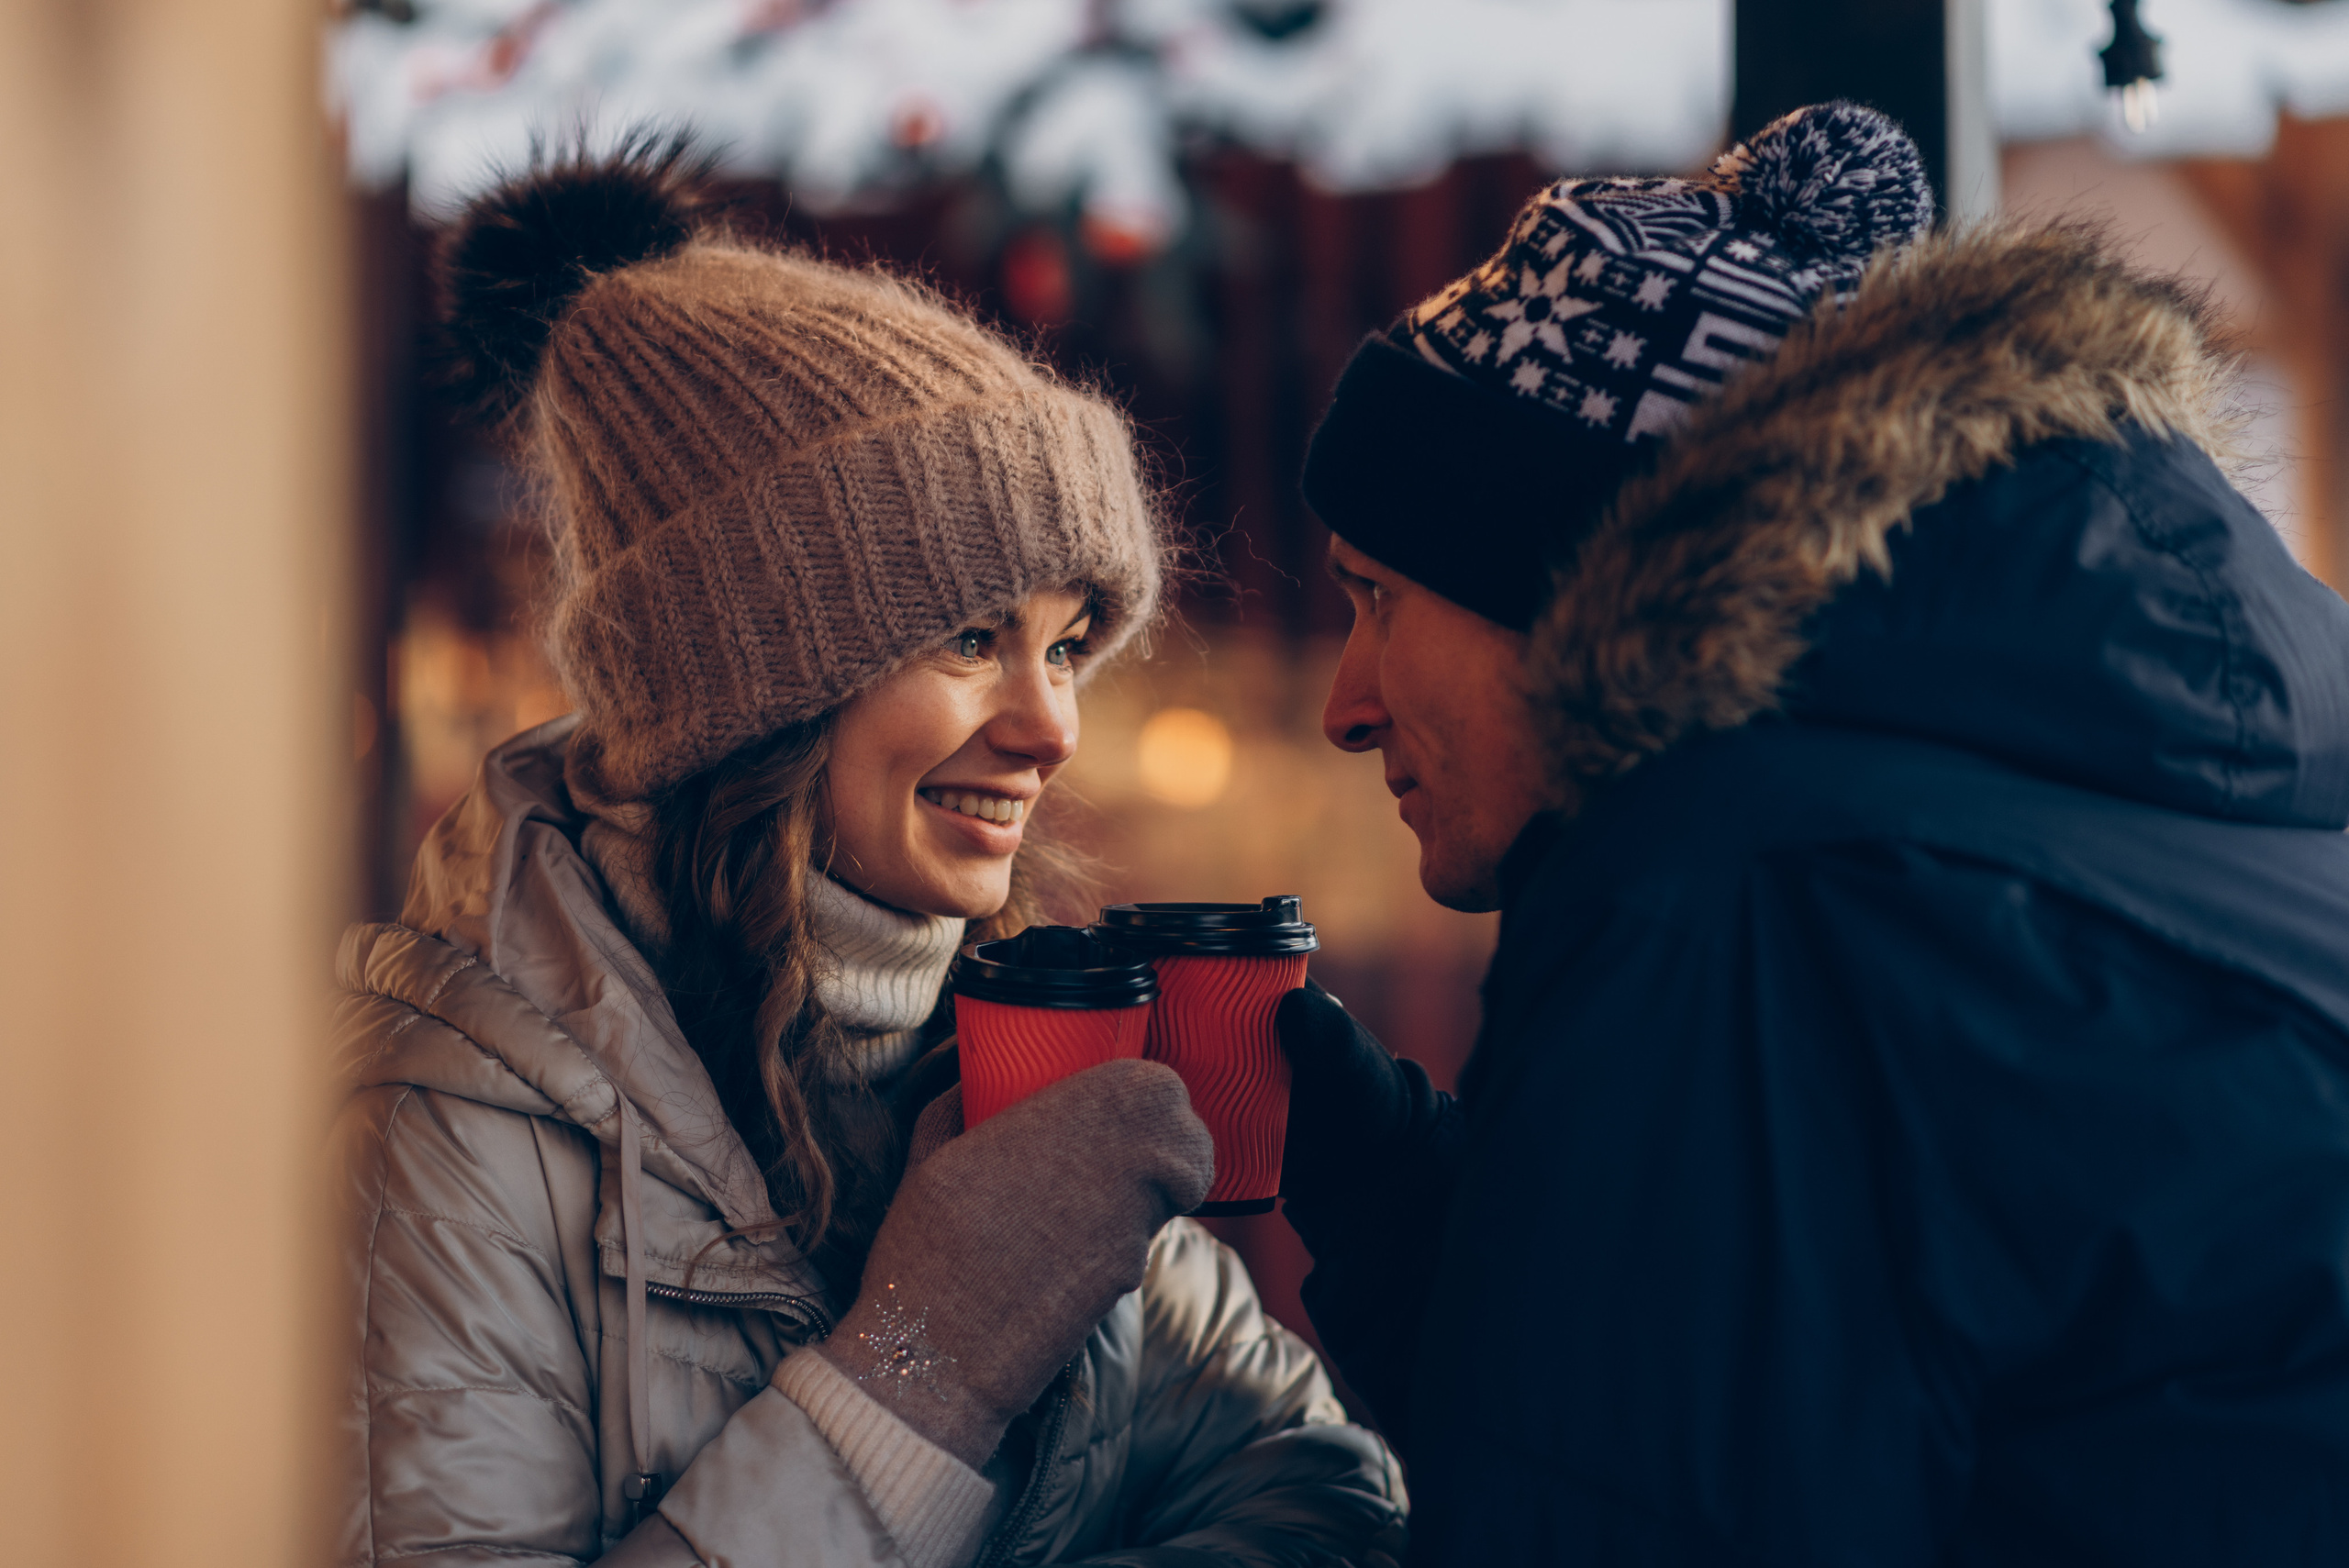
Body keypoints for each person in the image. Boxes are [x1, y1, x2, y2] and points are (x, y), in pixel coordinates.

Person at [1274, 100, 2349, 1564]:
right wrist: (1416, 1202)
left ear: (1570, 580)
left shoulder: (1731, 894)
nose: (1346, 703)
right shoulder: (2151, 795)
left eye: (1379, 593)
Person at [329, 139, 1403, 1568]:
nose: (1051, 727)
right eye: (973, 637)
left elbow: (1326, 1491)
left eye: (1067, 645)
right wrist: (923, 1370)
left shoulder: (1008, 1044)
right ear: (751, 679)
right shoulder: (448, 1129)